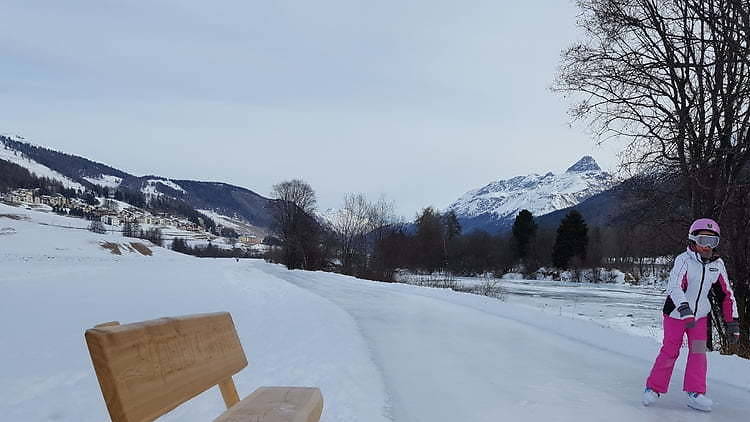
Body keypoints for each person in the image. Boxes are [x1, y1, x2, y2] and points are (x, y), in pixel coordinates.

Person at [642, 218, 740, 412]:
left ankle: (695, 393)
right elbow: (674, 287)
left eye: (712, 242)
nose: (707, 247)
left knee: (698, 352)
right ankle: (653, 388)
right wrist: (685, 310)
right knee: (671, 350)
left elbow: (727, 294)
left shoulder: (717, 264)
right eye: (703, 241)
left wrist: (732, 322)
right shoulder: (683, 260)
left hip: (700, 318)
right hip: (676, 316)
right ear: (693, 240)